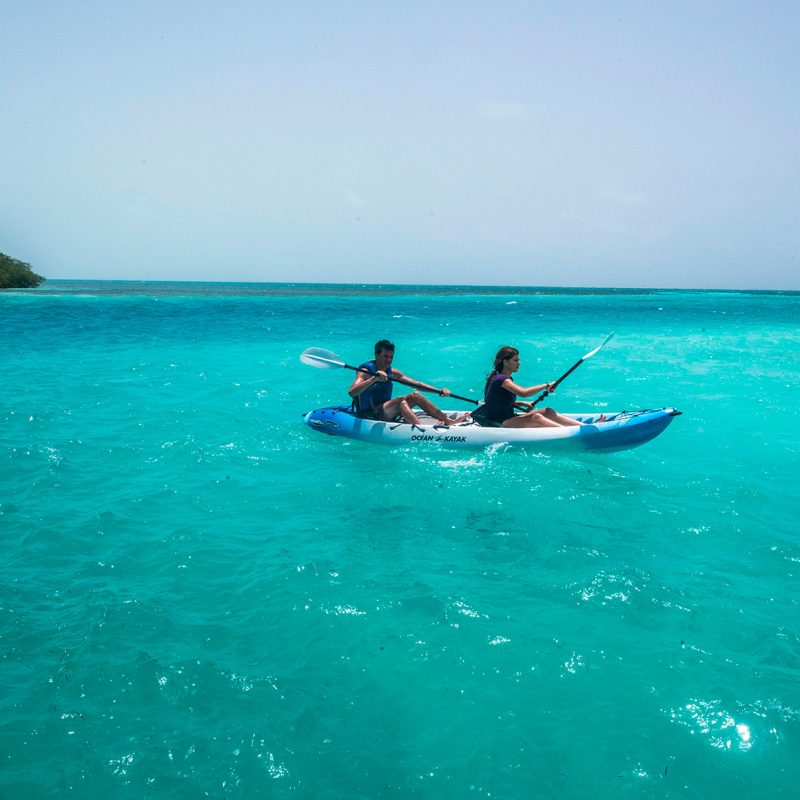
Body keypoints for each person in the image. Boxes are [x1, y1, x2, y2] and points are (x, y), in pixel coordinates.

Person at [349, 340, 470, 426]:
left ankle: (447, 420)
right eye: (385, 356)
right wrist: (373, 379)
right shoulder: (366, 372)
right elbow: (352, 392)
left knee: (415, 395)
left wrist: (439, 391)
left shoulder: (392, 372)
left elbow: (416, 384)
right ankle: (423, 429)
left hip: (387, 410)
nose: (388, 360)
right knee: (401, 400)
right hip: (372, 414)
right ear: (376, 355)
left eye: (391, 357)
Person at [479, 346, 603, 428]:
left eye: (518, 360)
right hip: (499, 423)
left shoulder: (505, 379)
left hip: (508, 417)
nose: (519, 363)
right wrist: (546, 385)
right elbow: (524, 392)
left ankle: (584, 428)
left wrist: (521, 403)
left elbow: (497, 401)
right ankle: (570, 433)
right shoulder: (501, 379)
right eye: (515, 360)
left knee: (547, 411)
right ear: (506, 362)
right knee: (536, 417)